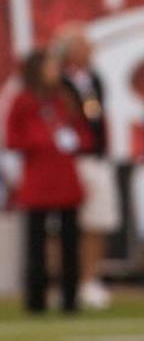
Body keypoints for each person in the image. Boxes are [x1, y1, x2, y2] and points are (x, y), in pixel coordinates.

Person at [4, 49, 91, 313]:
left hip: (65, 178)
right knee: (36, 243)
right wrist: (41, 141)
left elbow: (85, 133)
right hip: (38, 179)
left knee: (70, 241)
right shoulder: (23, 101)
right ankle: (36, 300)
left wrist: (74, 140)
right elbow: (12, 138)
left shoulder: (66, 98)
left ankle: (70, 300)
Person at [54, 23, 119, 310]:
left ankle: (89, 279)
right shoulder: (58, 82)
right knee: (66, 224)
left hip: (95, 156)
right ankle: (64, 280)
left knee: (98, 221)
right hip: (70, 160)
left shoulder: (94, 79)